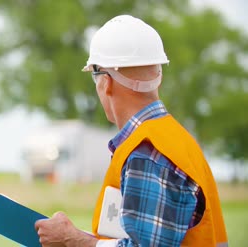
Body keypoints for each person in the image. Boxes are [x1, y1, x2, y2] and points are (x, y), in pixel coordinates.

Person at [34, 15, 228, 247]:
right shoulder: (174, 140)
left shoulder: (147, 153)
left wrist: (72, 240)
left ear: (106, 82)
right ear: (158, 76)